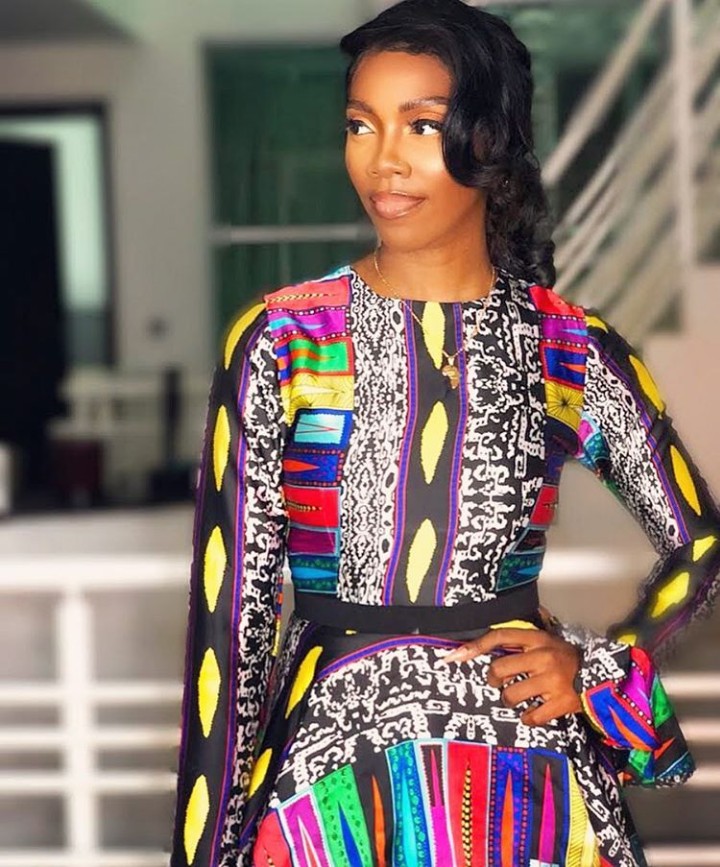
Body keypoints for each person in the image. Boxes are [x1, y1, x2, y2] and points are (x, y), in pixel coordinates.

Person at [170, 1, 720, 864]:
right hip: (330, 778)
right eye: (361, 124)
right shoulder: (282, 341)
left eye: (421, 126)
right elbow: (231, 625)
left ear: (490, 139)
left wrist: (598, 663)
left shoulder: (569, 345)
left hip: (531, 783)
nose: (382, 159)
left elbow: (700, 539)